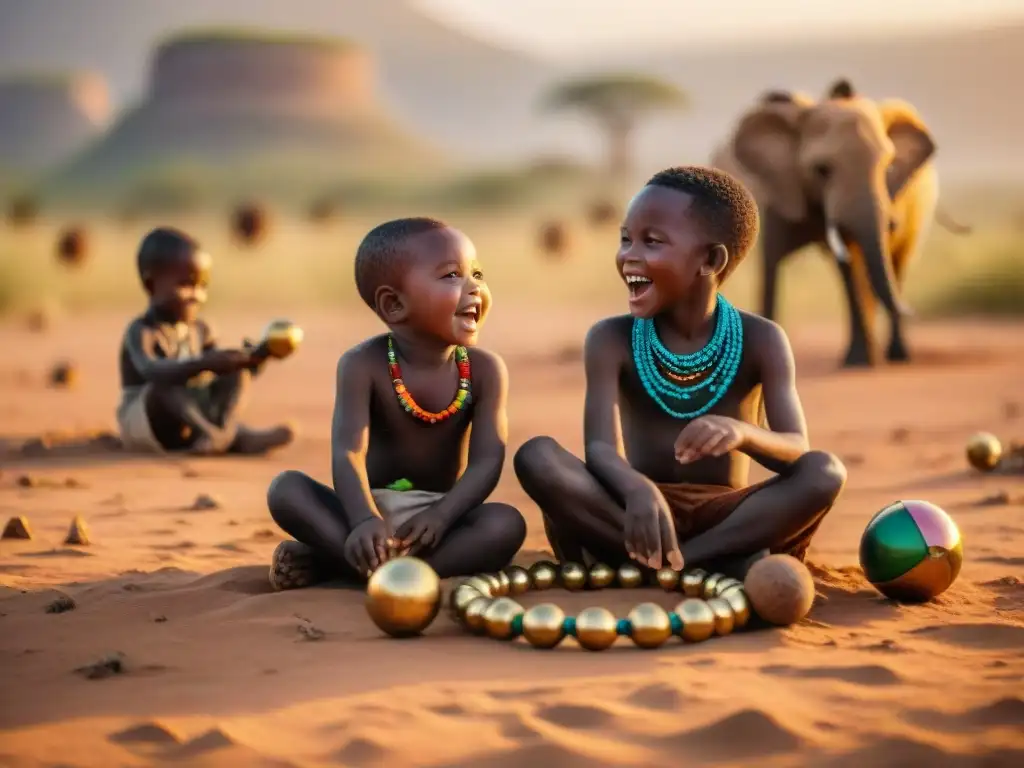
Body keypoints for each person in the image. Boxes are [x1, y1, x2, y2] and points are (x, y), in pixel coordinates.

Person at [514, 166, 846, 577]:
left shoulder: (762, 339)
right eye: (625, 239)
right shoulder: (610, 338)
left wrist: (743, 433)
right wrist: (637, 488)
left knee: (824, 471)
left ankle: (677, 561)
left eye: (651, 242)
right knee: (538, 456)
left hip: (725, 515)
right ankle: (716, 563)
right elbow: (599, 448)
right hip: (634, 510)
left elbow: (797, 449)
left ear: (710, 259)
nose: (629, 255)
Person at [266, 217, 526, 589]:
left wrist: (442, 515)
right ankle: (387, 565)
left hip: (439, 519)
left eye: (478, 274)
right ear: (394, 304)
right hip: (365, 511)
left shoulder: (484, 370)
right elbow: (349, 452)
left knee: (505, 525)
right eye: (452, 276)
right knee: (286, 490)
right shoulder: (362, 365)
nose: (475, 289)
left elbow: (487, 461)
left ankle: (341, 564)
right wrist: (362, 520)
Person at [117, 227, 295, 456]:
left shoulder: (202, 329)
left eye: (202, 286)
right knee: (164, 383)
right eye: (185, 285)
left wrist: (252, 360)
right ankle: (218, 436)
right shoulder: (143, 331)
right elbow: (151, 370)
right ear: (152, 285)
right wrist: (205, 363)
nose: (197, 295)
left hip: (192, 413)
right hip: (149, 424)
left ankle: (225, 432)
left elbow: (217, 371)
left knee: (236, 373)